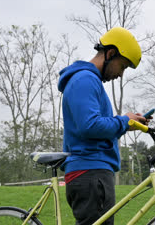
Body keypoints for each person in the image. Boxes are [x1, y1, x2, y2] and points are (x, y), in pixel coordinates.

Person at [57, 27, 149, 225]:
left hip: (93, 171)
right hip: (90, 171)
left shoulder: (89, 81)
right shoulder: (85, 79)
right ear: (110, 53)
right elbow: (89, 126)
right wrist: (124, 121)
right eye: (123, 66)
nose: (121, 74)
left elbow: (96, 129)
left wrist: (128, 125)